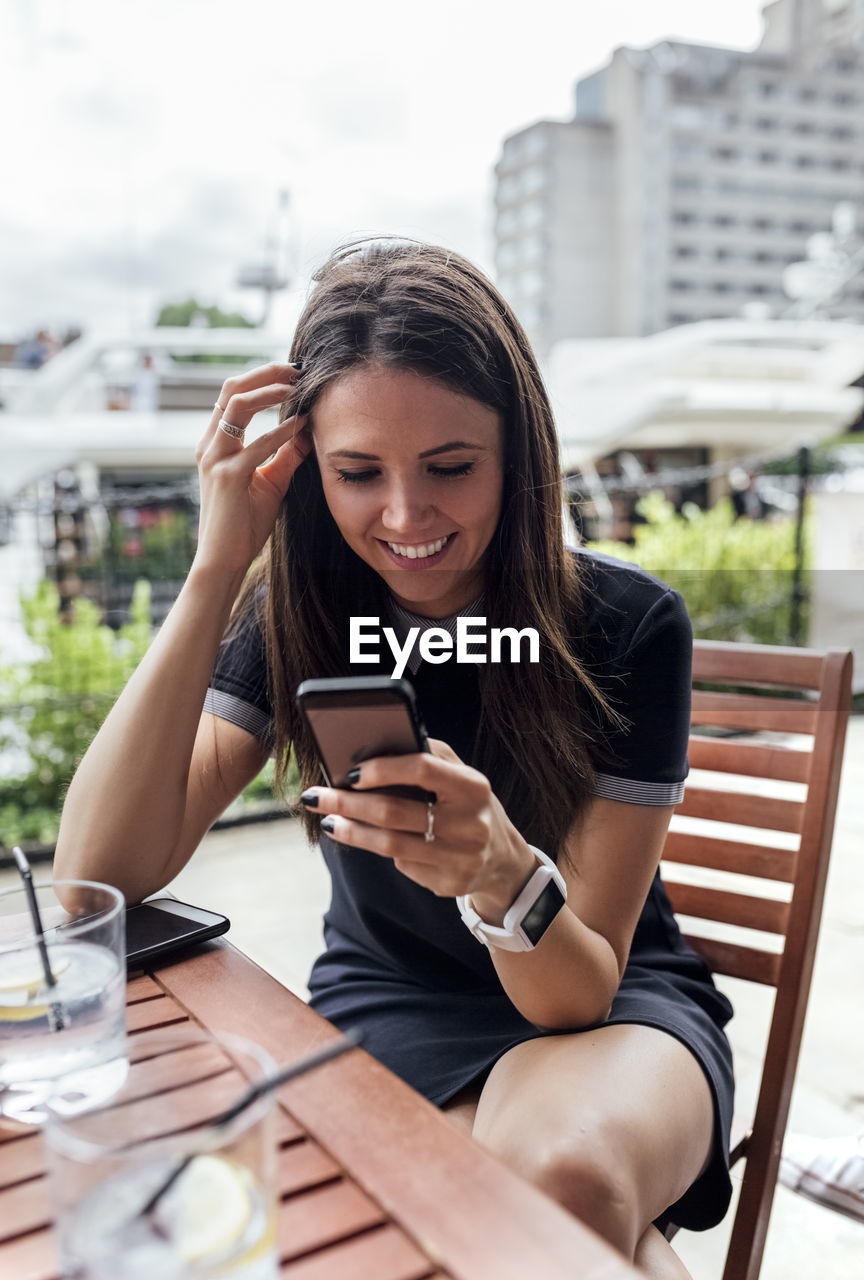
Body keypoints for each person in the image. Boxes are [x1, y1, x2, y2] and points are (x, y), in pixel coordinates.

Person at [56, 239, 734, 1278]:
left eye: (452, 468)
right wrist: (218, 562)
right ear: (307, 467)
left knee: (556, 1187)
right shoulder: (297, 613)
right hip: (391, 996)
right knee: (546, 1227)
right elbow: (95, 875)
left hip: (605, 991)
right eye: (358, 472)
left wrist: (501, 874)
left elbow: (576, 993)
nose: (408, 518)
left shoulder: (629, 625)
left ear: (518, 452)